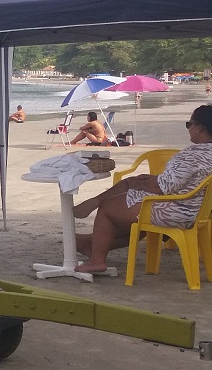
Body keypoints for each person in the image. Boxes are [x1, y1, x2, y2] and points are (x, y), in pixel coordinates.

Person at [71, 104, 212, 273]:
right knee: (131, 189)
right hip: (198, 209)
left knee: (108, 208)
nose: (188, 129)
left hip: (178, 209)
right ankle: (89, 243)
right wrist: (147, 181)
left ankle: (97, 260)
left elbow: (165, 187)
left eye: (189, 124)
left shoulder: (192, 155)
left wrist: (146, 183)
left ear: (200, 128)